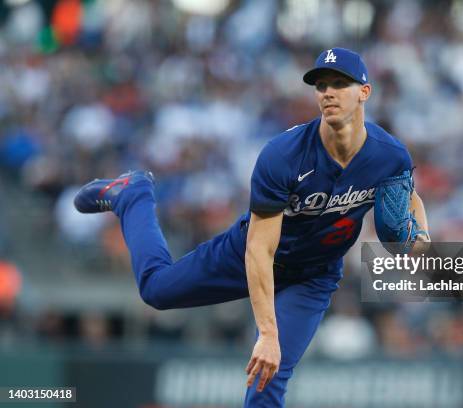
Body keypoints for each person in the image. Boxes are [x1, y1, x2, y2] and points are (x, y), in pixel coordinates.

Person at [74, 47, 429, 407]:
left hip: (313, 275)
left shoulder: (390, 154)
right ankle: (133, 196)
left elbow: (408, 192)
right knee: (155, 291)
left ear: (364, 92)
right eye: (321, 85)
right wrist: (268, 332)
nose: (328, 93)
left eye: (340, 83)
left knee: (268, 378)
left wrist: (423, 235)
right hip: (249, 254)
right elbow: (260, 250)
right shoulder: (284, 155)